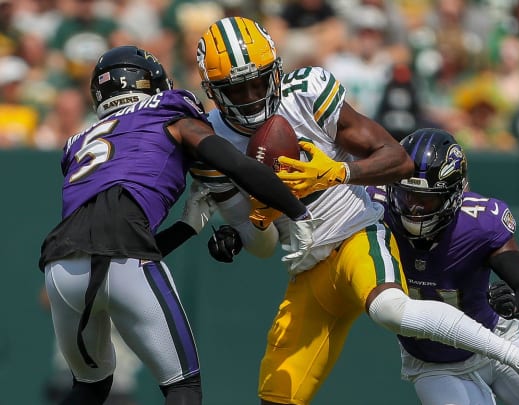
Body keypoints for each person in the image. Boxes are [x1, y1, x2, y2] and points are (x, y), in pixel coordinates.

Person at [194, 16, 519, 405]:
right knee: (277, 395)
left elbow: (399, 160)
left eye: (259, 81)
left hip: (355, 230)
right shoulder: (210, 142)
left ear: (276, 70)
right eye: (238, 90)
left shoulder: (305, 94)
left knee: (390, 309)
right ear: (213, 91)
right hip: (307, 264)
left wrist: (340, 172)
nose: (254, 96)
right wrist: (254, 218)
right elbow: (265, 246)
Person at [38, 45, 317, 405]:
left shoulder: (78, 143)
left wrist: (186, 227)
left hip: (61, 266)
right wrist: (297, 212)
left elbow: (110, 245)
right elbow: (237, 165)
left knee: (89, 386)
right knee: (182, 387)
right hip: (124, 255)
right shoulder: (169, 111)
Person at [366, 128, 519, 405]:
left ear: (453, 196)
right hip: (435, 364)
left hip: (496, 341)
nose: (414, 209)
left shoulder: (479, 223)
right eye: (407, 196)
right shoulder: (374, 210)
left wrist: (514, 302)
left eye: (427, 199)